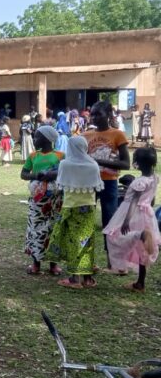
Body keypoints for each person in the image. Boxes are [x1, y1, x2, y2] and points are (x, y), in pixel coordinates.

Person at [46, 135, 102, 289]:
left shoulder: (65, 164)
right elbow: (97, 188)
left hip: (71, 206)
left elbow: (60, 186)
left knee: (73, 240)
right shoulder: (93, 165)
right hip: (89, 207)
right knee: (86, 240)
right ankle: (87, 279)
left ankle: (74, 279)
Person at [103, 147, 160, 291]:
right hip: (147, 214)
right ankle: (140, 283)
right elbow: (151, 200)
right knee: (142, 249)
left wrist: (127, 220)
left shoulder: (139, 182)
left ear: (137, 163)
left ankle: (138, 236)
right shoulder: (155, 178)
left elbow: (134, 202)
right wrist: (148, 208)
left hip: (131, 213)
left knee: (114, 235)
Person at [83, 100, 130, 270]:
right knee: (85, 220)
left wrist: (98, 161)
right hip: (88, 184)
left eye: (98, 114)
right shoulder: (85, 135)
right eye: (92, 114)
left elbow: (126, 164)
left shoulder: (117, 134)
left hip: (109, 183)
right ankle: (87, 260)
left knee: (110, 221)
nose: (94, 117)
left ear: (109, 115)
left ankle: (114, 261)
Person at [20, 126, 64, 276]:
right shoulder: (33, 156)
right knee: (36, 228)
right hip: (37, 201)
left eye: (37, 136)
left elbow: (64, 171)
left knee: (53, 229)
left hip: (55, 199)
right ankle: (36, 263)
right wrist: (37, 175)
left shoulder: (60, 156)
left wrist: (51, 174)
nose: (34, 139)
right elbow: (24, 174)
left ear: (47, 139)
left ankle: (53, 265)